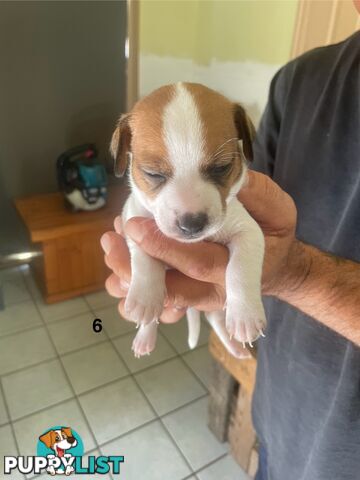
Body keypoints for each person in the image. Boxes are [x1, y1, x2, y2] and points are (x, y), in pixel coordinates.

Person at [101, 28, 360, 480]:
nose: (190, 212)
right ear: (125, 153)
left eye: (219, 170)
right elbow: (140, 237)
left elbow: (252, 238)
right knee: (146, 264)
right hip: (282, 420)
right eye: (155, 176)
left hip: (337, 452)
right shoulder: (298, 80)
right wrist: (150, 280)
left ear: (241, 146)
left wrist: (282, 279)